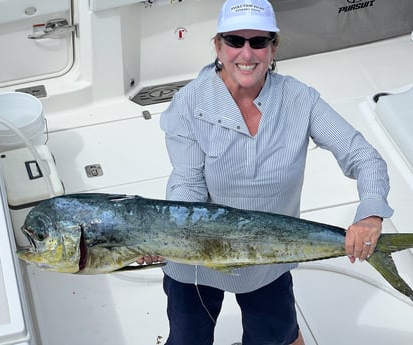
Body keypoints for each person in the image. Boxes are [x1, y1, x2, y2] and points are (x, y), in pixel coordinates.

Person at [138, 0, 394, 344]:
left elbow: (364, 156)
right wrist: (165, 237)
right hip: (194, 265)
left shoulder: (301, 99)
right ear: (218, 45)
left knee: (278, 339)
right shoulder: (188, 102)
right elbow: (188, 185)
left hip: (269, 259)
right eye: (234, 40)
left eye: (258, 41)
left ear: (273, 48)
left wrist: (371, 213)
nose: (247, 53)